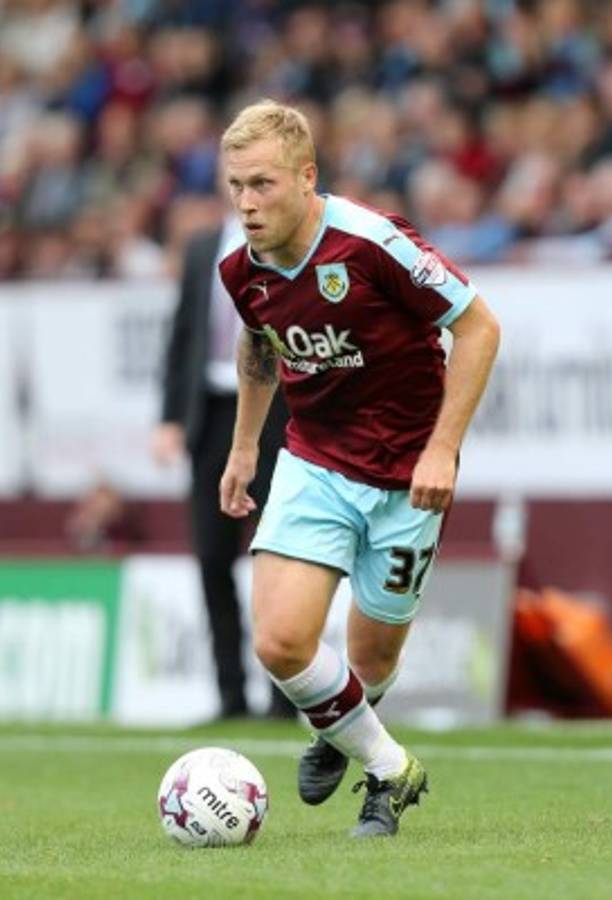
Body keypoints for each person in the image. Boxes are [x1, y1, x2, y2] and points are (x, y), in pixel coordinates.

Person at [217, 100, 500, 837]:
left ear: (306, 177)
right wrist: (245, 448)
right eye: (236, 186)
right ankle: (389, 770)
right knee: (280, 641)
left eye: (262, 184)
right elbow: (260, 344)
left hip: (409, 477)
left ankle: (341, 726)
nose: (247, 204)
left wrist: (442, 448)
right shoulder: (240, 270)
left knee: (369, 660)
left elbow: (479, 327)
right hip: (315, 459)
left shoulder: (373, 243)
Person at [152, 214, 293, 720]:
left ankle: (283, 699)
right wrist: (170, 417)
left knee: (277, 554)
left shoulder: (291, 237)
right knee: (212, 557)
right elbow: (183, 332)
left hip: (277, 413)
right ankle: (230, 696)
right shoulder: (201, 247)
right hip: (210, 416)